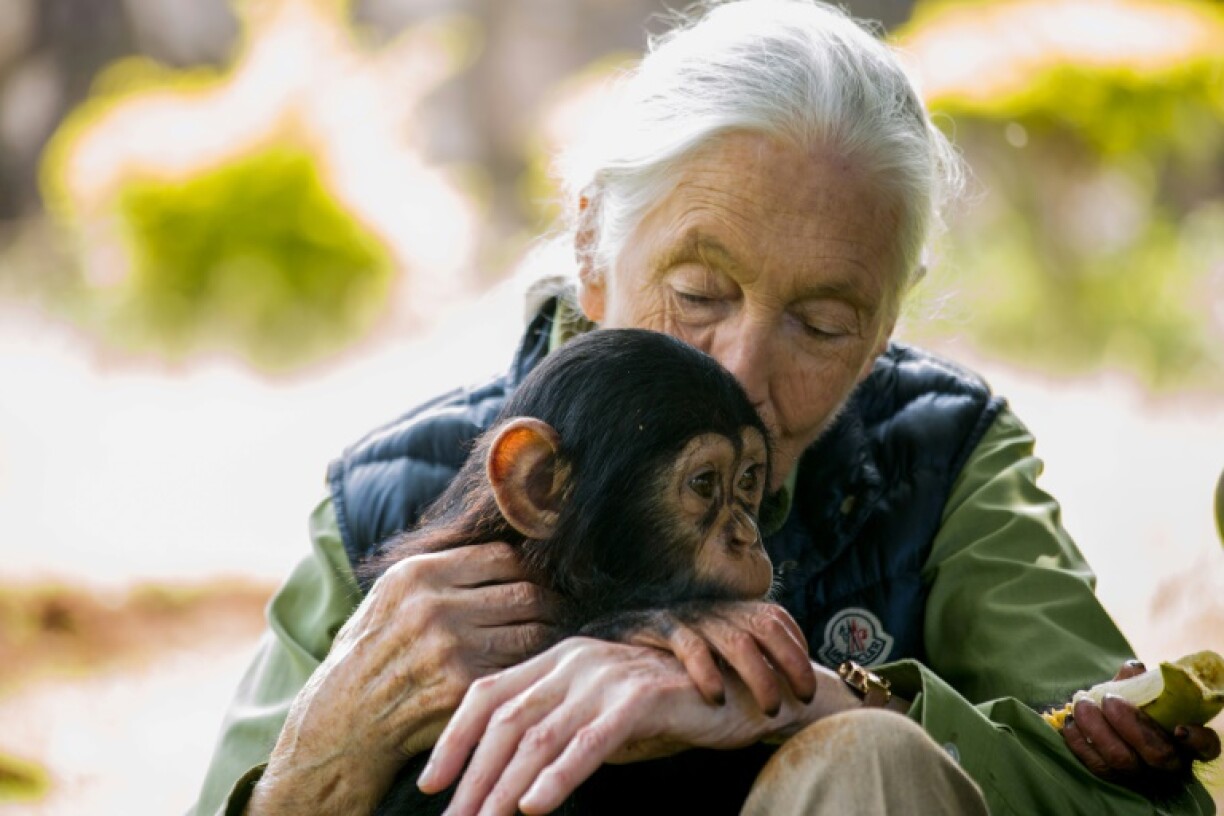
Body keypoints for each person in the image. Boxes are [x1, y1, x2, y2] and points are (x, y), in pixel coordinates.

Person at [190, 2, 1221, 814]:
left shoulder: (939, 457)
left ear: (886, 324)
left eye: (821, 323)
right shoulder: (397, 495)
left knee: (866, 760)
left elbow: (1144, 805)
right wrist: (327, 754)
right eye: (699, 294)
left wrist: (820, 700)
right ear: (593, 248)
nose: (741, 371)